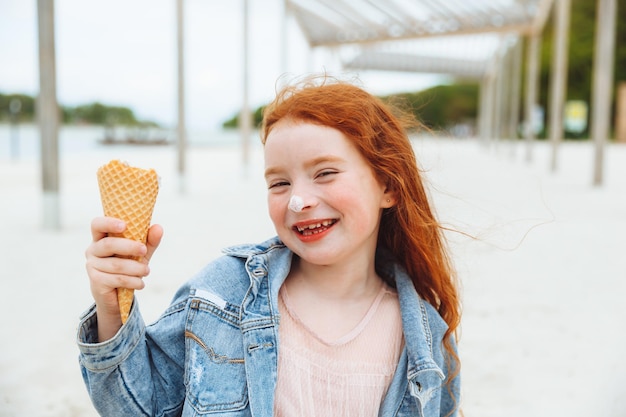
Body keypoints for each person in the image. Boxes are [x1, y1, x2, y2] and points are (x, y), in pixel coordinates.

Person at [78, 75, 461, 417]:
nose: (299, 201)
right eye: (279, 183)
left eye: (325, 173)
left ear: (388, 186)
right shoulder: (222, 294)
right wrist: (113, 307)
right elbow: (139, 407)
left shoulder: (426, 337)